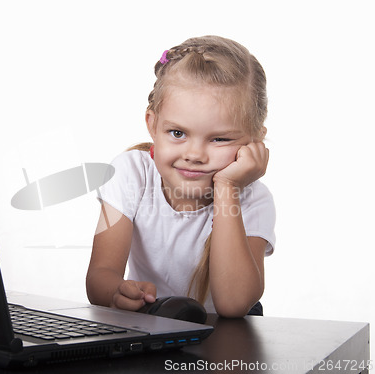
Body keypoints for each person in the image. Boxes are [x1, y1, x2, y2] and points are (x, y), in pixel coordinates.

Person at [86, 35, 276, 318]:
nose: (195, 154)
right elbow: (101, 275)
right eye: (178, 133)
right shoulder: (131, 174)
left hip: (226, 338)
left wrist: (227, 186)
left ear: (255, 142)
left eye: (219, 138)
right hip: (156, 325)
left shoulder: (252, 198)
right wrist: (117, 292)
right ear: (153, 125)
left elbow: (234, 304)